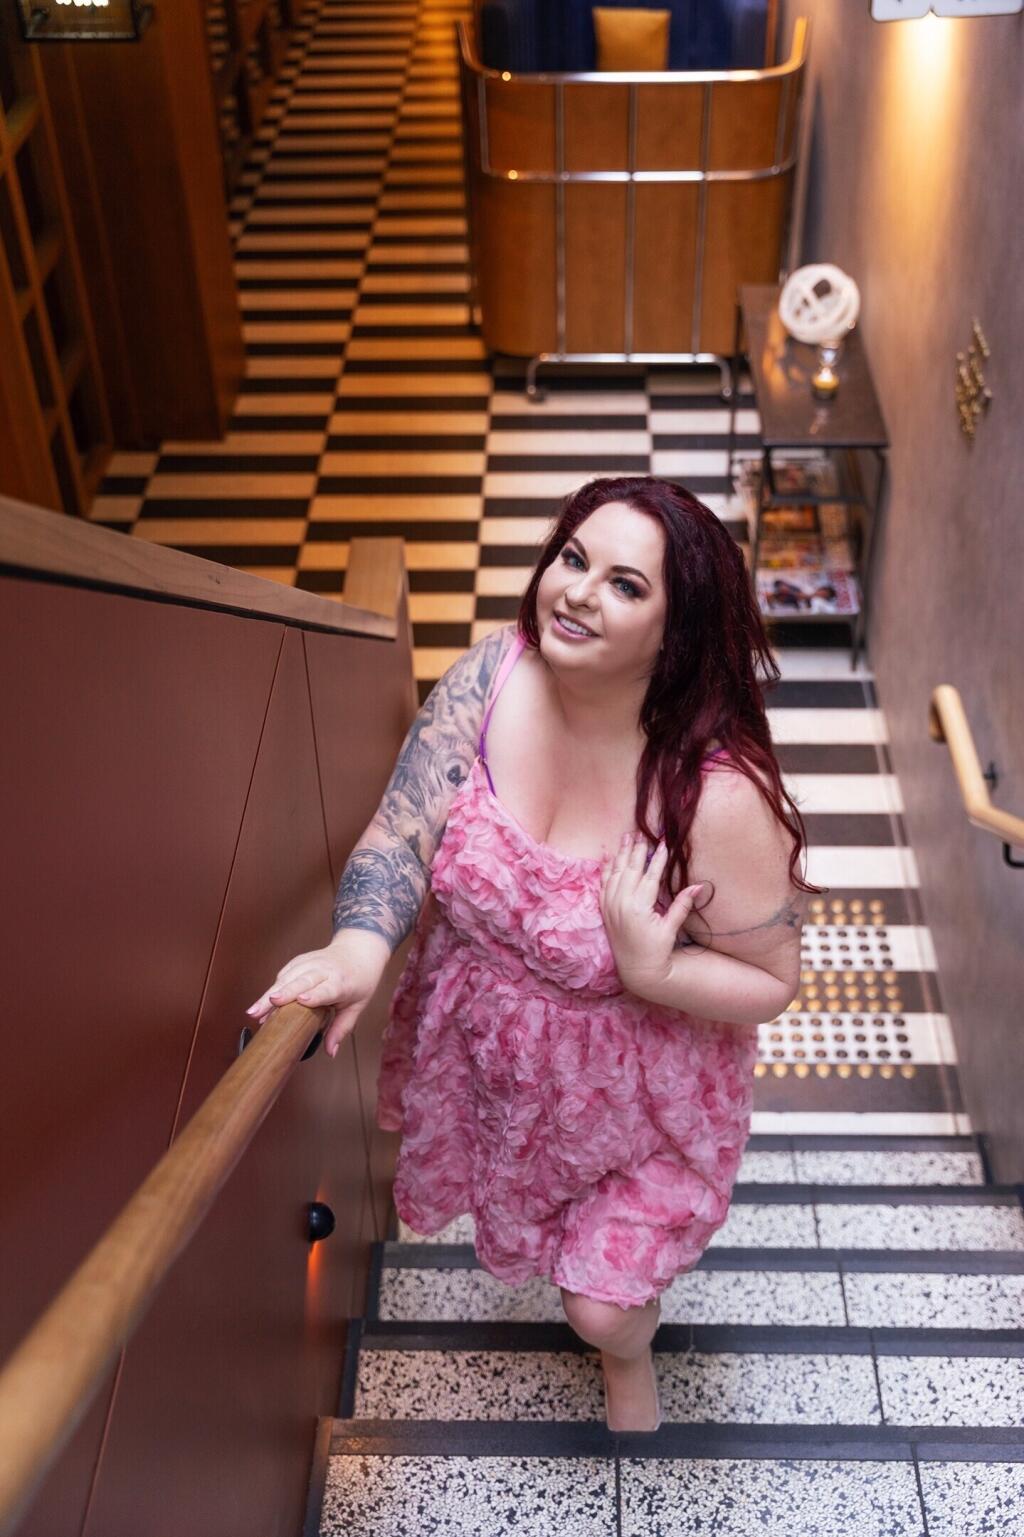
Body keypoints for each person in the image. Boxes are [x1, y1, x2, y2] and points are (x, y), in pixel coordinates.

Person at [246, 475, 821, 1433]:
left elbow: (775, 980)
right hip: (497, 1065)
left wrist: (656, 970)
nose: (579, 592)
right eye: (573, 558)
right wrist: (357, 946)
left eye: (626, 584)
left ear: (676, 634)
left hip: (641, 1100)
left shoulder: (718, 796)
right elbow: (403, 829)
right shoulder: (492, 675)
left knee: (600, 1305)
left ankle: (626, 1350)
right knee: (540, 1233)